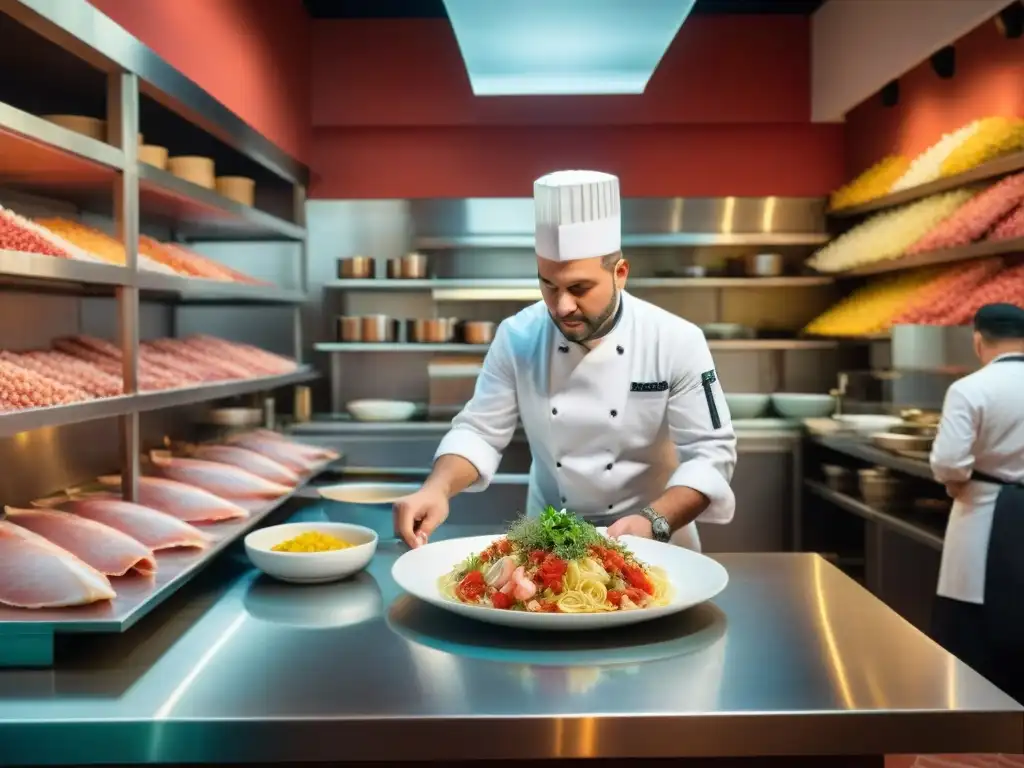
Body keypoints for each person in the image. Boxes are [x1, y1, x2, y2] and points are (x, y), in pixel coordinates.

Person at [393, 169, 737, 551]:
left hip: (656, 539)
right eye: (548, 285)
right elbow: (479, 431)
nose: (562, 306)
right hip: (549, 542)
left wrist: (654, 521)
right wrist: (436, 488)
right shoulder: (518, 336)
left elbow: (711, 454)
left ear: (620, 273)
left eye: (579, 288)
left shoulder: (676, 340)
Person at [930, 302, 1024, 702]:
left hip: (983, 511)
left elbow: (949, 461)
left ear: (978, 340)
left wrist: (955, 483)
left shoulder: (970, 388)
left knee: (975, 624)